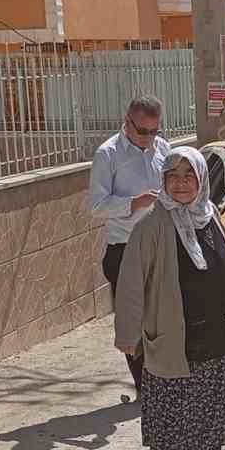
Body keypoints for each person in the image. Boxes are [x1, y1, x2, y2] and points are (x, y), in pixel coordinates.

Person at [113, 147, 225, 450]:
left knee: (213, 409)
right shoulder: (151, 226)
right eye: (172, 177)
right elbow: (130, 285)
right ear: (162, 182)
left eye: (188, 176)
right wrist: (128, 337)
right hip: (175, 338)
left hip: (219, 336)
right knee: (174, 413)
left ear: (201, 181)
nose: (180, 184)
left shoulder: (210, 217)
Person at [89, 95, 168, 397]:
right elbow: (96, 207)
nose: (149, 139)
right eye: (143, 131)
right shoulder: (107, 155)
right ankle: (145, 388)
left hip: (159, 244)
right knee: (132, 320)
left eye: (154, 131)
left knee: (161, 315)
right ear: (127, 122)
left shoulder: (163, 149)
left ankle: (162, 381)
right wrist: (133, 203)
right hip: (124, 248)